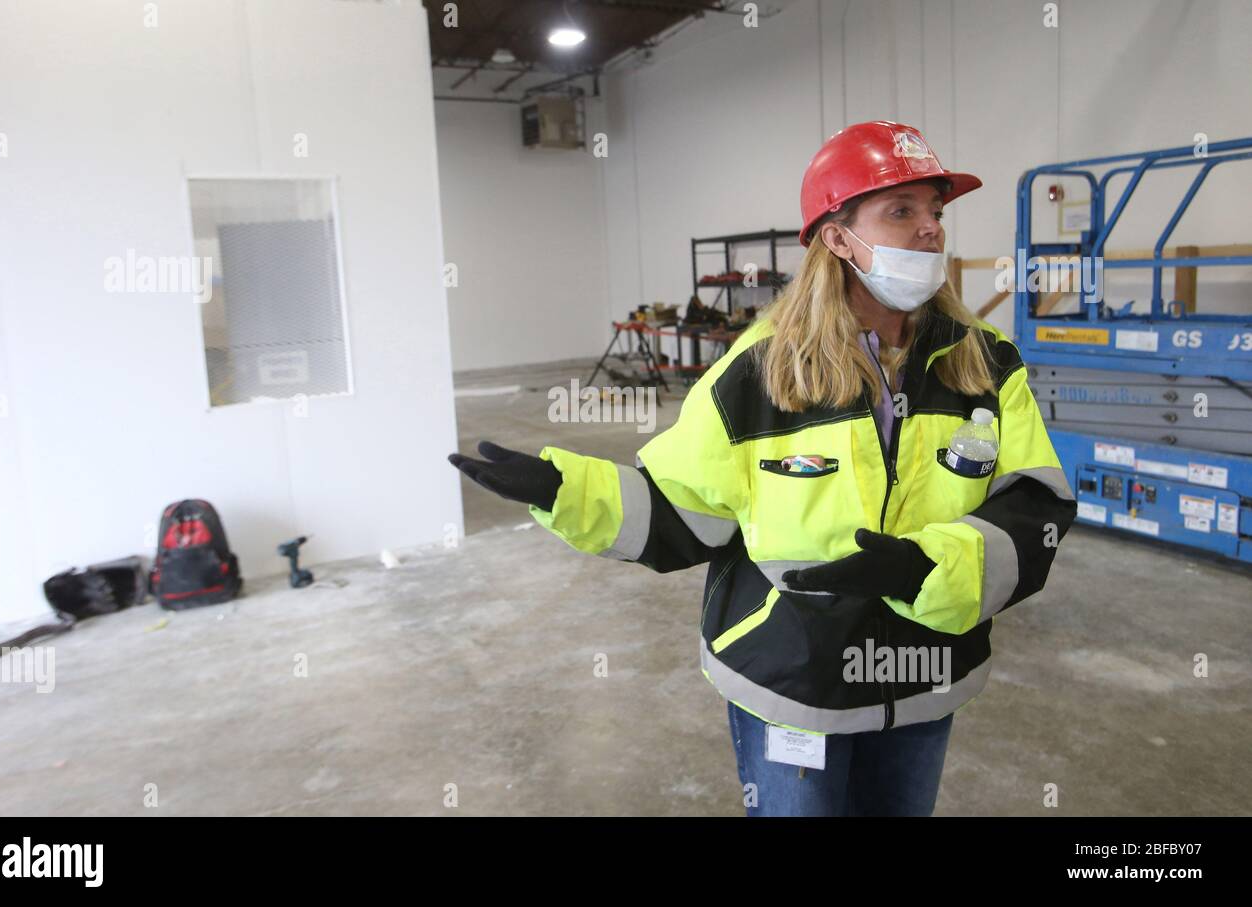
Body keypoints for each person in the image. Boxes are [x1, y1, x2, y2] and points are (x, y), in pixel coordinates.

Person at [448, 121, 1077, 816]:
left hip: (925, 672)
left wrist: (930, 570)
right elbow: (681, 507)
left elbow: (1035, 505)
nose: (930, 229)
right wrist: (568, 491)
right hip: (792, 678)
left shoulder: (985, 363)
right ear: (837, 237)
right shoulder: (762, 368)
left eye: (935, 210)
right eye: (902, 211)